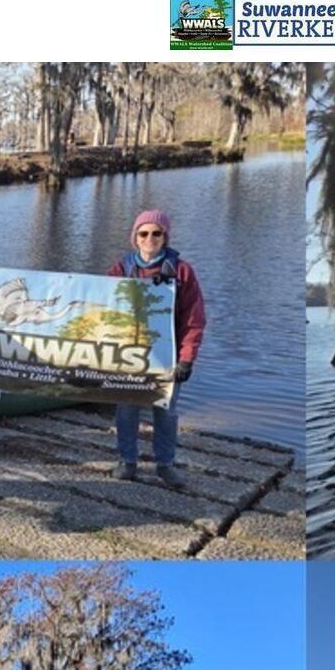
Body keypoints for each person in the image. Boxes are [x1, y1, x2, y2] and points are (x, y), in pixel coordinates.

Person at [109, 209, 206, 488]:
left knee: (165, 411)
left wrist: (187, 359)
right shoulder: (121, 270)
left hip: (167, 357)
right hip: (128, 356)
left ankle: (165, 464)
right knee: (126, 409)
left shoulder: (182, 271)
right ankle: (127, 460)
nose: (150, 238)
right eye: (144, 233)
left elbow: (194, 319)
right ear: (135, 238)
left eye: (156, 233)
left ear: (165, 237)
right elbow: (100, 304)